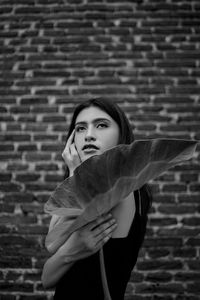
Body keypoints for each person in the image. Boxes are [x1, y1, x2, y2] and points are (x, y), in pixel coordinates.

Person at [42, 97, 152, 300]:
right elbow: (47, 278)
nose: (89, 135)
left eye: (101, 125)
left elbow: (53, 244)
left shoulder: (120, 188)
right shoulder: (86, 185)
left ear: (121, 134)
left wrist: (75, 174)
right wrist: (75, 172)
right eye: (81, 129)